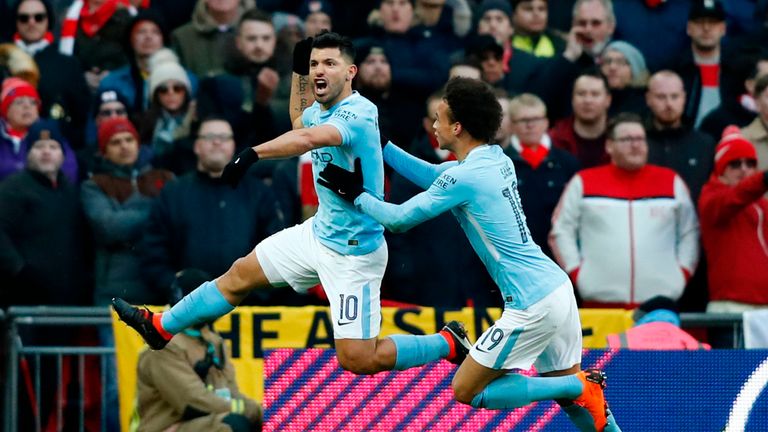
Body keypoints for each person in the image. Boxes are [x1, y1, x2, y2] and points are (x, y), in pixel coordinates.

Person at [114, 32, 470, 376]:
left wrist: (253, 153)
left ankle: (446, 343)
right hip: (316, 236)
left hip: (354, 255)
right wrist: (298, 74)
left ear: (350, 73)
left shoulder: (359, 112)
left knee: (359, 359)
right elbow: (302, 121)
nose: (319, 70)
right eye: (314, 63)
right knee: (239, 275)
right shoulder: (320, 108)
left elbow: (310, 137)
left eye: (330, 63)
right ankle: (160, 326)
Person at [316, 77, 620, 432]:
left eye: (438, 118)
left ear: (457, 127)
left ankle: (577, 384)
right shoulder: (493, 158)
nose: (433, 125)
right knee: (582, 409)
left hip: (532, 302)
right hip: (555, 288)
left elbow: (398, 220)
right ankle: (583, 394)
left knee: (468, 389)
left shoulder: (466, 178)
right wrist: (378, 143)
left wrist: (358, 195)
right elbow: (432, 174)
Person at [550, 113, 700, 309]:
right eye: (627, 139)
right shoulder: (584, 181)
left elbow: (690, 232)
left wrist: (681, 274)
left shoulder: (671, 182)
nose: (636, 145)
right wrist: (579, 273)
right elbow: (561, 231)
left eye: (640, 139)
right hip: (600, 304)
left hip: (660, 303)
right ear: (609, 145)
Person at [133, 269, 262, 432]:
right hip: (167, 427)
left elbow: (230, 392)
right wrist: (249, 411)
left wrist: (262, 413)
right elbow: (192, 401)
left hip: (203, 421)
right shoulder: (164, 346)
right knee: (233, 425)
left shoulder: (213, 341)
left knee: (266, 422)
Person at [503, 93, 579, 259]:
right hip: (516, 256)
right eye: (523, 120)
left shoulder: (567, 162)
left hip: (559, 256)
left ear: (546, 122)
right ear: (512, 124)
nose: (530, 125)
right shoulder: (499, 164)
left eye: (536, 119)